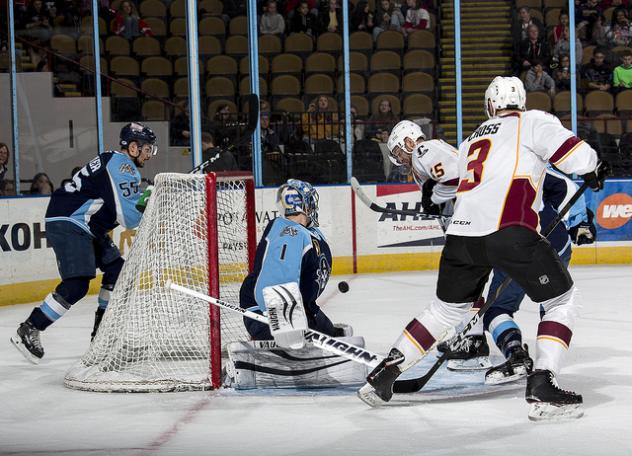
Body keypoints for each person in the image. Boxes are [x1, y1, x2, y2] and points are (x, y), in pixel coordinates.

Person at [358, 76, 607, 421]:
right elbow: (575, 155)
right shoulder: (532, 121)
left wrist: (435, 197)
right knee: (561, 300)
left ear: (490, 105)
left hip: (462, 241)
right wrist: (594, 167)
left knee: (443, 312)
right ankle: (543, 385)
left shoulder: (472, 138)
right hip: (510, 233)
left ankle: (383, 374)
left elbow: (450, 189)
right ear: (520, 101)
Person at [10, 122, 157, 363]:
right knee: (77, 284)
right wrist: (150, 199)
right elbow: (129, 219)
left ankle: (101, 336)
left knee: (116, 271)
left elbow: (117, 205)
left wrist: (144, 198)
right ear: (133, 147)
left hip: (84, 225)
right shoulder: (122, 166)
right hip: (71, 221)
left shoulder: (114, 161)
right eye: (147, 149)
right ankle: (30, 327)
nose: (149, 154)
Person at [438, 168, 597, 381]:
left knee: (497, 309)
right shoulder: (518, 160)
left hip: (516, 246)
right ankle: (546, 366)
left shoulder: (483, 173)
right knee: (554, 306)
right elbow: (565, 186)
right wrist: (580, 222)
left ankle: (516, 354)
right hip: (553, 243)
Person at [239, 179, 344, 341]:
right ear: (304, 205)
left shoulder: (311, 232)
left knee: (335, 336)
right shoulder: (289, 233)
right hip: (266, 312)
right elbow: (276, 280)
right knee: (293, 344)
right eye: (310, 200)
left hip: (302, 308)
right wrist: (287, 328)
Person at [385, 120, 459, 216]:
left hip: (468, 215)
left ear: (409, 143)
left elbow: (455, 178)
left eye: (398, 153)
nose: (400, 159)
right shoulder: (421, 158)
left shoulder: (420, 151)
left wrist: (433, 200)